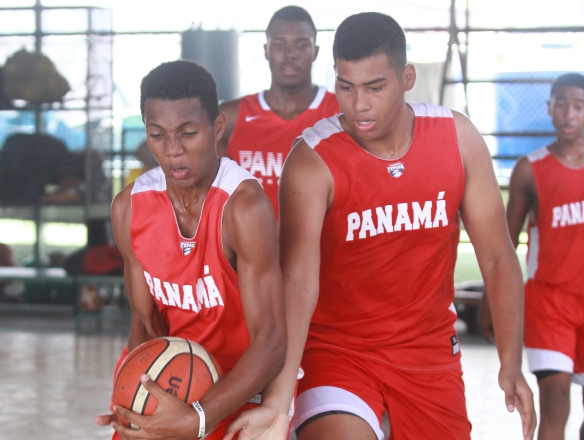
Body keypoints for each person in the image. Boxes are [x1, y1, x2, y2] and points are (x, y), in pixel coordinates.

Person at [225, 12, 536, 440]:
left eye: (375, 87)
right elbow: (297, 282)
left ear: (406, 77)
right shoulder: (312, 159)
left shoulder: (457, 138)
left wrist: (511, 360)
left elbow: (499, 257)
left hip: (428, 352)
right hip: (335, 351)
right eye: (346, 87)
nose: (359, 105)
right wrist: (279, 401)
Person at [95, 60, 286, 440]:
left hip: (238, 389)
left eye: (187, 133)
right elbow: (144, 323)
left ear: (216, 128)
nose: (172, 151)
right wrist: (139, 400)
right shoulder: (128, 208)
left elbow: (271, 338)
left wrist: (199, 418)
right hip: (168, 385)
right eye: (157, 135)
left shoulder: (244, 207)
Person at [502, 73, 584, 440]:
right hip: (550, 302)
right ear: (549, 108)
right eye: (561, 104)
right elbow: (504, 242)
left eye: (578, 106)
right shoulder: (530, 169)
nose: (568, 113)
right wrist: (491, 299)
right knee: (554, 400)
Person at [218, 5, 340, 217]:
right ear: (266, 50)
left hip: (321, 247)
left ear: (315, 52)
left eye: (302, 45)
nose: (290, 54)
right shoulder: (232, 115)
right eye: (280, 44)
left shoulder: (339, 113)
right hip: (249, 247)